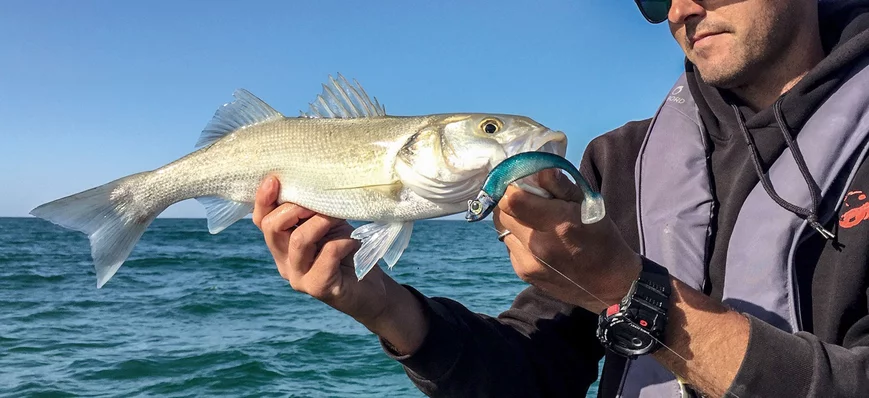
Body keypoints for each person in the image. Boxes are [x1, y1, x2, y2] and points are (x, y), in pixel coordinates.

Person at [252, 0, 869, 396]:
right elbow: (536, 371)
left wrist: (630, 291)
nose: (683, 6)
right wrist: (378, 303)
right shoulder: (622, 161)